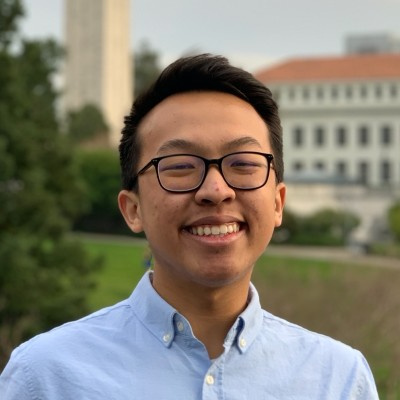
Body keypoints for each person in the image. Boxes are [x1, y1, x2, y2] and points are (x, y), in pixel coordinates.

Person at [0, 54, 378, 399]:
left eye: (243, 164)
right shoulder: (47, 377)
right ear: (133, 209)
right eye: (181, 166)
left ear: (278, 202)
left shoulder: (338, 380)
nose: (216, 191)